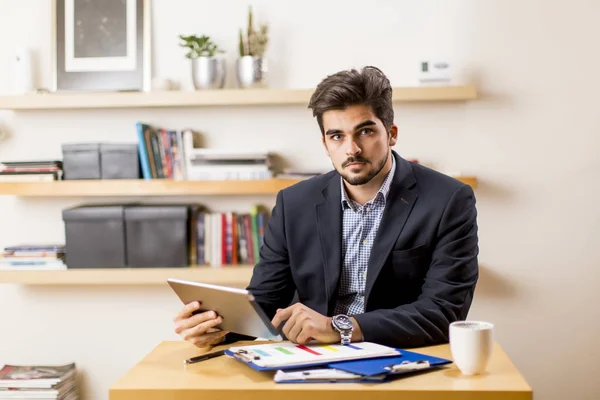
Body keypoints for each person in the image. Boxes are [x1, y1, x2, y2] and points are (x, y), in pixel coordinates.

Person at [173, 66, 479, 349]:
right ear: (325, 143)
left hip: (402, 357)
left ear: (392, 134)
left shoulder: (448, 199)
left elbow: (443, 312)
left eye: (366, 131)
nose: (352, 149)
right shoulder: (294, 203)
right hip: (313, 358)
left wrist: (340, 327)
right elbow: (266, 301)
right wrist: (219, 328)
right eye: (337, 136)